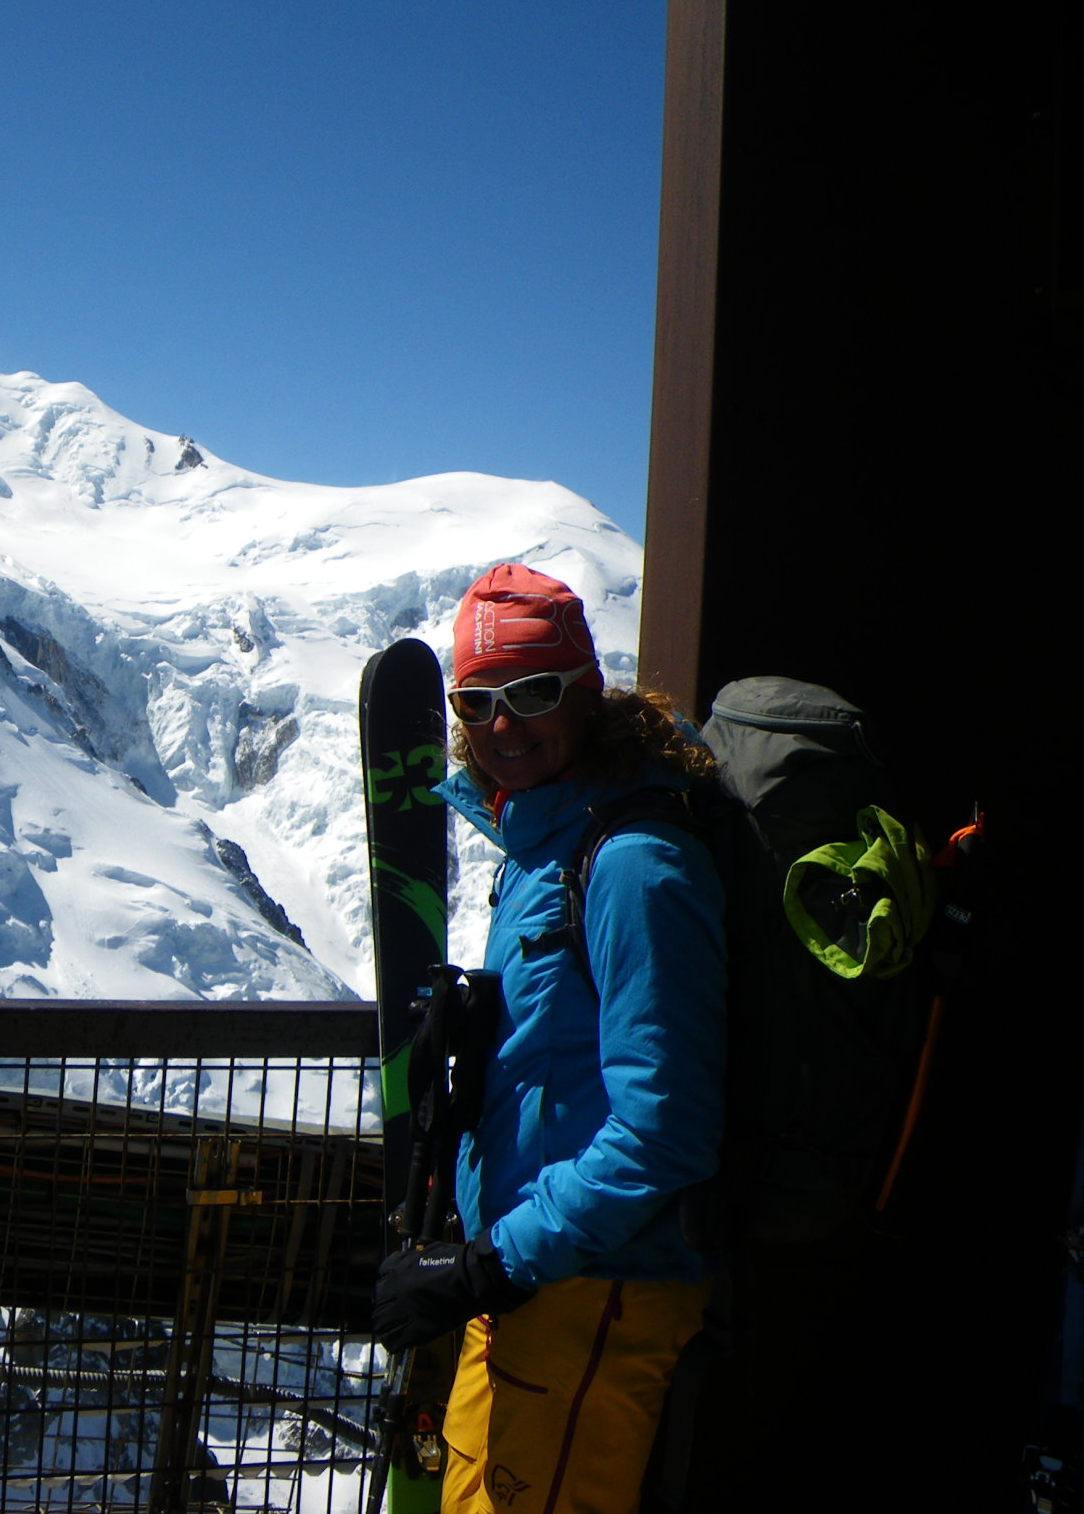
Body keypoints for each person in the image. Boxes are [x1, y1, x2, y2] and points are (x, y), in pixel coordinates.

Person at [370, 563, 726, 1514]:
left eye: (531, 693)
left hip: (597, 1295)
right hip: (528, 1286)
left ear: (586, 691)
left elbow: (665, 1131)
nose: (503, 726)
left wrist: (492, 1263)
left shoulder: (635, 865)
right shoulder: (541, 845)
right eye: (477, 702)